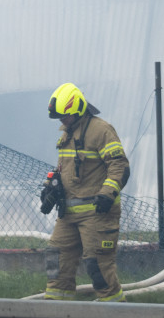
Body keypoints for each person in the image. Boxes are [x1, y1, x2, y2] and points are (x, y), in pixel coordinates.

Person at [41, 83, 130, 302]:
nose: (62, 121)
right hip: (68, 214)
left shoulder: (101, 130)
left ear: (78, 109)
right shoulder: (67, 133)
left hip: (97, 213)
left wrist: (108, 193)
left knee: (99, 270)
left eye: (65, 116)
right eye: (59, 118)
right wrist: (50, 187)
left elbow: (119, 166)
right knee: (57, 264)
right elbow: (66, 168)